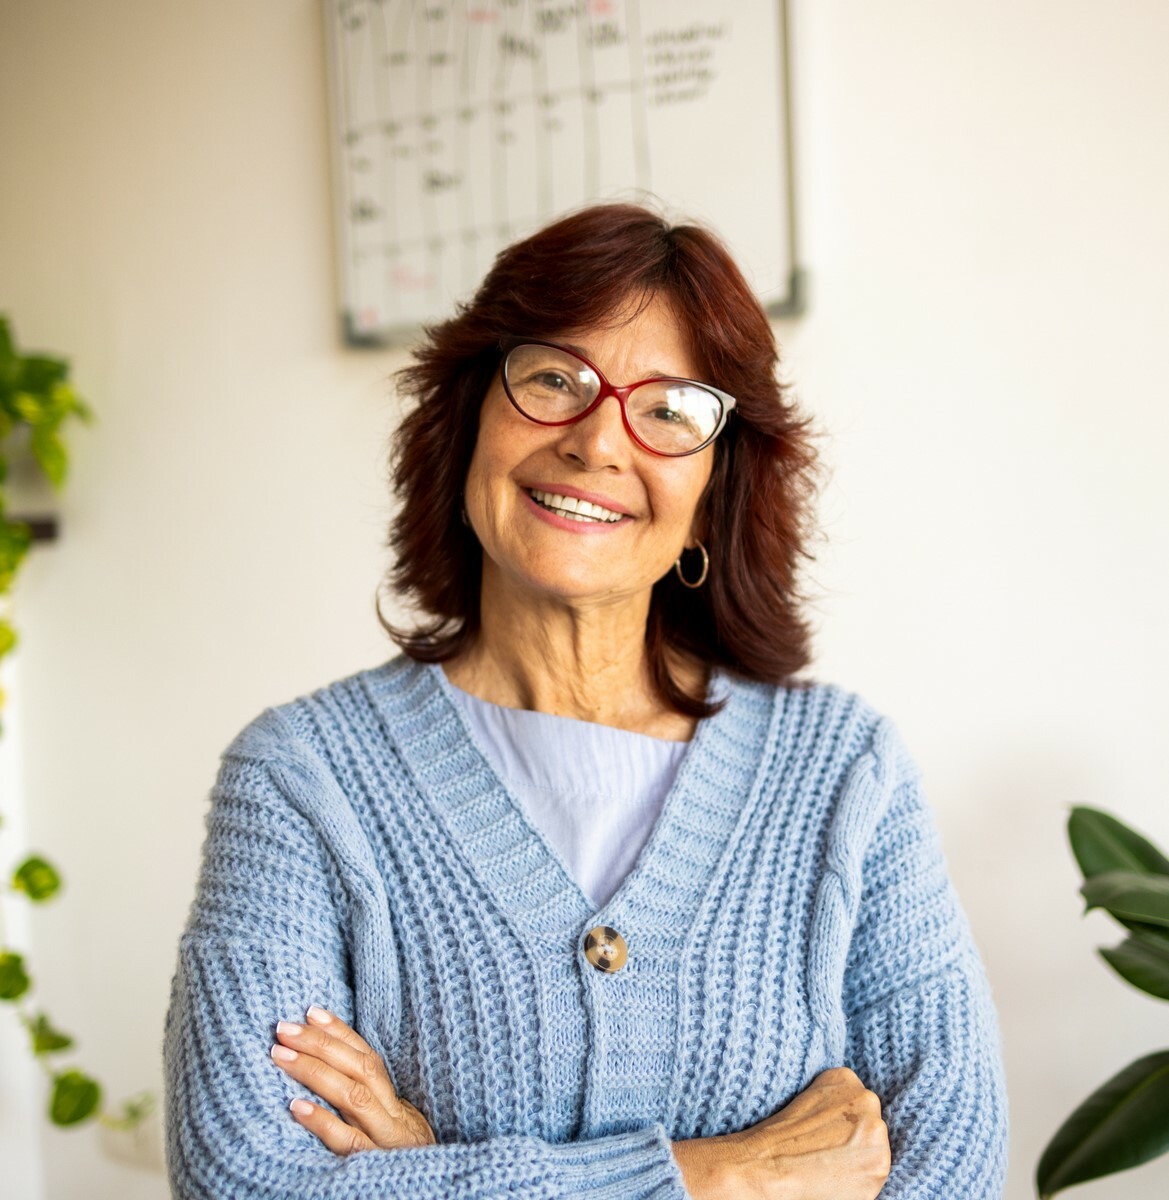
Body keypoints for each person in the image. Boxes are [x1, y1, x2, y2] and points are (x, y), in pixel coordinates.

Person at [164, 203, 1008, 1198]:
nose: (598, 440)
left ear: (714, 489)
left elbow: (951, 1174)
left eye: (668, 410)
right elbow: (249, 1184)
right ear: (469, 419)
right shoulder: (303, 778)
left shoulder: (842, 772)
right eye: (552, 380)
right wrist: (717, 1178)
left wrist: (432, 1176)